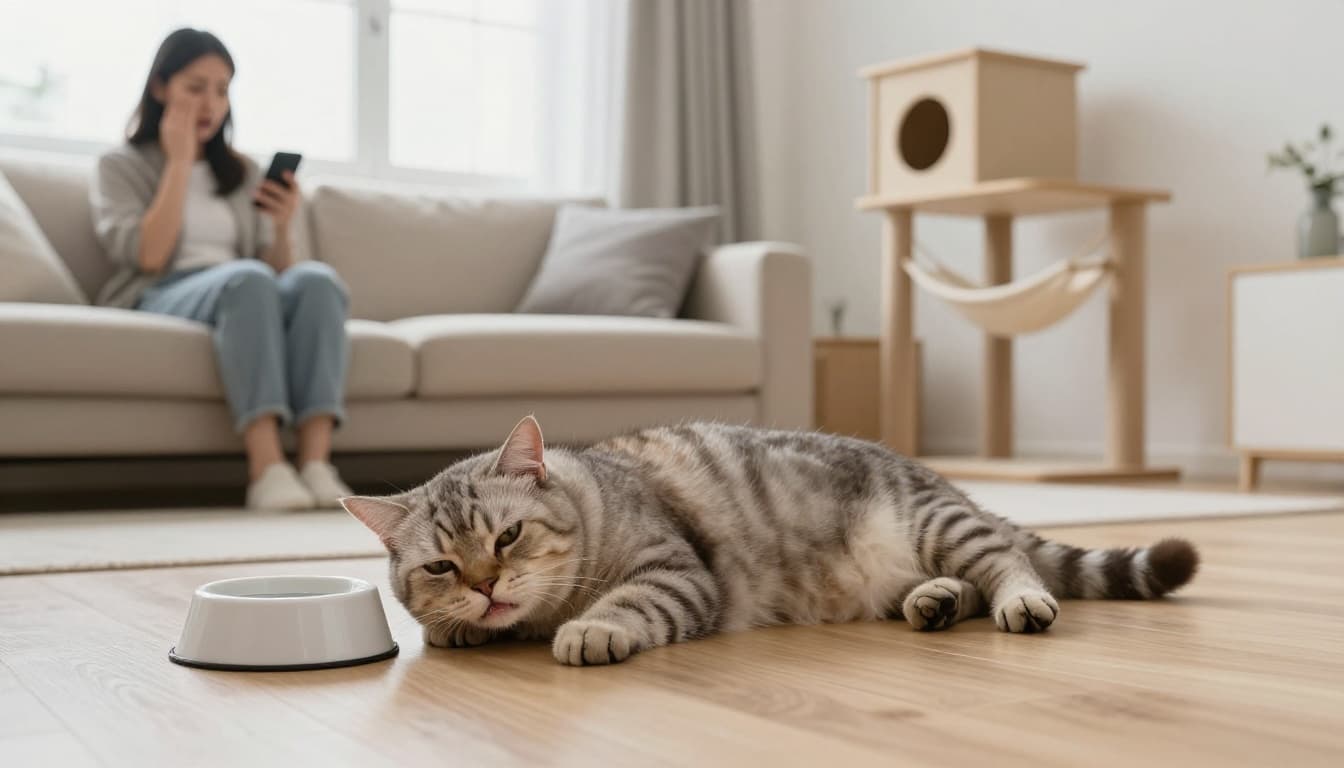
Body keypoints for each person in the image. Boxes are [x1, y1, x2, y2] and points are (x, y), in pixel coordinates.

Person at [90, 28, 352, 510]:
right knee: (246, 278)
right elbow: (147, 255)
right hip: (161, 292)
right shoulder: (120, 165)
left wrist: (282, 226)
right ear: (160, 87)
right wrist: (179, 162)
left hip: (242, 290)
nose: (210, 103)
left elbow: (278, 276)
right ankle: (266, 468)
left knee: (316, 279)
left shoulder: (241, 172)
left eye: (222, 89)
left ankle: (316, 463)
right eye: (195, 87)